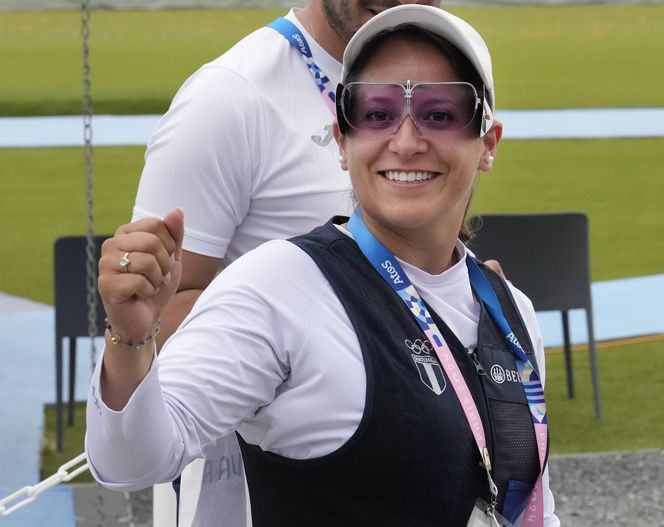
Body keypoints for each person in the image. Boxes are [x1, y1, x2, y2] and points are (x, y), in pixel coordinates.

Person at [87, 5, 560, 526]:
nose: (406, 142)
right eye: (376, 113)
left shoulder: (509, 310)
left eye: (441, 113)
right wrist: (130, 340)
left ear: (487, 143)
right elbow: (129, 461)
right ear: (341, 139)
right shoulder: (277, 283)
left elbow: (533, 507)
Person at [133, 1, 439, 524]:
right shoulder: (230, 95)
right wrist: (319, 332)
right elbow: (155, 315)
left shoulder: (442, 81)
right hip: (255, 491)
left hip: (404, 466)